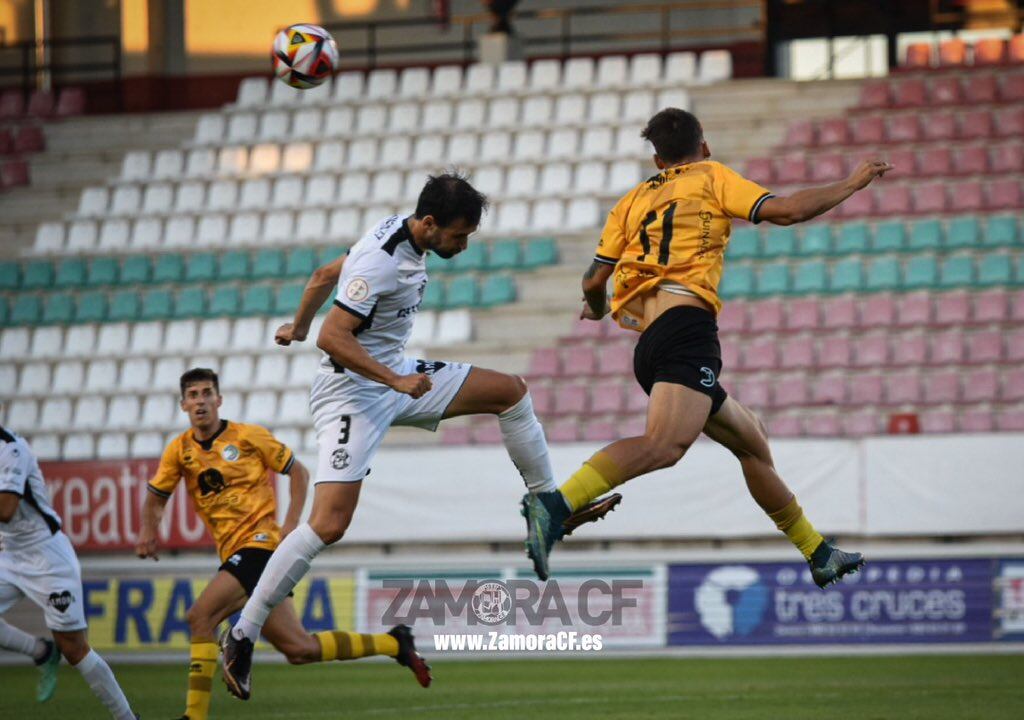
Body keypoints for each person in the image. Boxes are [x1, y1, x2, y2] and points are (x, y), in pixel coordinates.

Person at [221, 172, 619, 700]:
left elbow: (323, 274)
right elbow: (333, 336)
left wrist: (295, 324)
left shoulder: (395, 235)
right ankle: (243, 634)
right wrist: (390, 377)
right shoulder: (382, 259)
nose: (463, 244)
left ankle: (546, 505)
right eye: (459, 235)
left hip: (396, 376)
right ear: (429, 223)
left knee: (511, 392)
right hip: (353, 394)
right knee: (329, 524)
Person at [521, 108, 893, 585]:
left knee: (752, 443)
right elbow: (788, 211)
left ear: (657, 159)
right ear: (706, 146)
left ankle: (817, 551)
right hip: (685, 329)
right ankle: (555, 503)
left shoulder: (630, 203)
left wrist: (595, 307)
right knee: (664, 446)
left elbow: (595, 278)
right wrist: (852, 182)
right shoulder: (711, 177)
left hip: (654, 340)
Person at [136, 368, 430, 720]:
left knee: (201, 616)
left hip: (260, 546)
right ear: (184, 404)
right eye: (194, 395)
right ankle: (394, 642)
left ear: (219, 400)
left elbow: (298, 472)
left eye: (207, 393)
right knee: (299, 648)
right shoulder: (178, 451)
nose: (201, 401)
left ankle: (193, 717)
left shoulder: (248, 437)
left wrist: (290, 526)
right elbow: (156, 497)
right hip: (235, 553)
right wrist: (147, 531)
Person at [0, 422, 140, 719]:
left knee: (74, 648)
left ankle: (128, 718)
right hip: (9, 555)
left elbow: (5, 508)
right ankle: (39, 651)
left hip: (47, 558)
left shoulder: (12, 449)